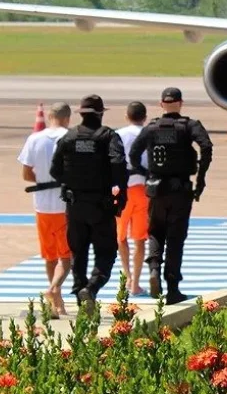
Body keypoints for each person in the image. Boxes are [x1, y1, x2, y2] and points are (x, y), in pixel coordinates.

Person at [128, 87, 213, 305]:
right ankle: (173, 288)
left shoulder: (152, 128)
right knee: (176, 238)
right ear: (180, 103)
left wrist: (147, 174)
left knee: (155, 232)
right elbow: (206, 146)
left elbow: (133, 154)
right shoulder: (189, 126)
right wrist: (201, 178)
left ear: (161, 104)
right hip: (181, 190)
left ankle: (154, 269)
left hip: (156, 191)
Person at [49, 94, 128, 316]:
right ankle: (91, 288)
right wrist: (120, 194)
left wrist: (70, 182)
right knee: (107, 252)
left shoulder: (69, 138)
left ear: (81, 114)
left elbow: (55, 170)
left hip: (75, 206)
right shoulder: (108, 136)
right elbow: (119, 164)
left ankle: (81, 296)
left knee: (78, 253)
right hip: (100, 205)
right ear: (101, 114)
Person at [17, 101, 73, 318]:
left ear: (50, 116)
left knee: (49, 256)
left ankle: (56, 305)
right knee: (66, 257)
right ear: (67, 118)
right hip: (64, 205)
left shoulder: (34, 138)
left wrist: (43, 181)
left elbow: (26, 174)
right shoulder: (69, 137)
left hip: (42, 206)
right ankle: (55, 289)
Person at [115, 101, 150, 296]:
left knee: (121, 237)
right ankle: (135, 282)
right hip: (142, 190)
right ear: (144, 117)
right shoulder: (148, 134)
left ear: (127, 116)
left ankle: (127, 275)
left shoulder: (118, 135)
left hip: (122, 191)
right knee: (140, 239)